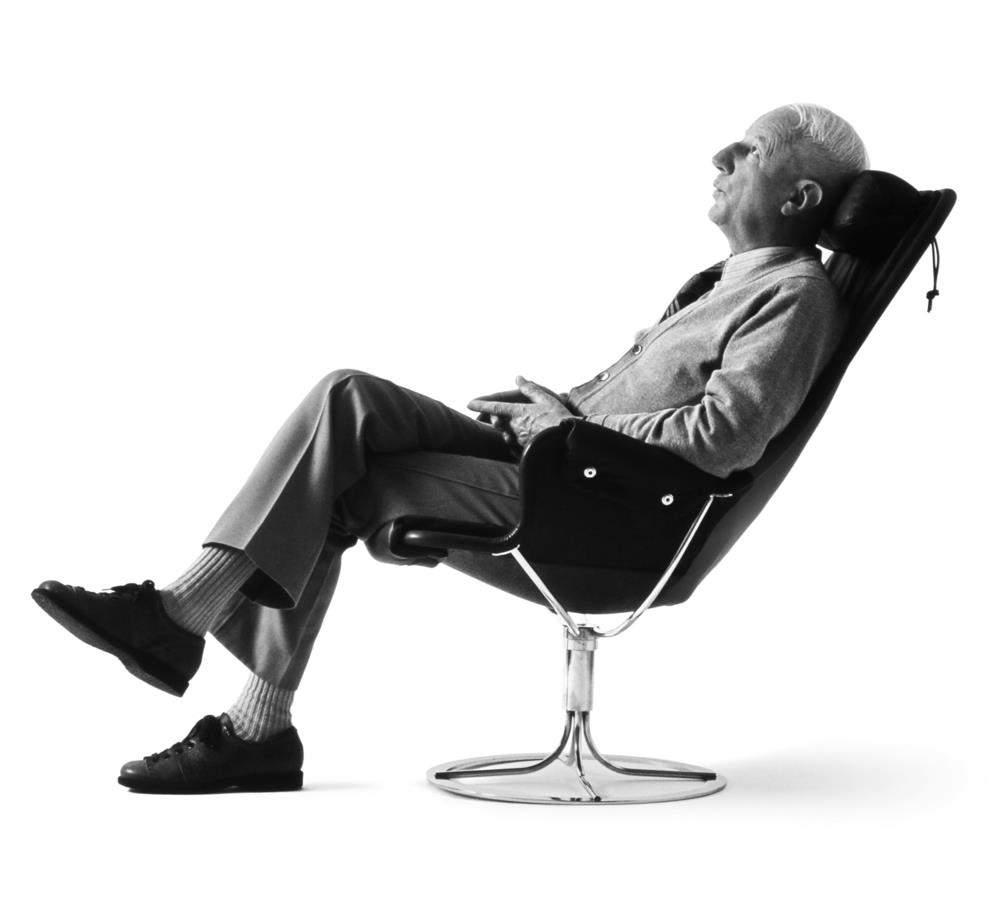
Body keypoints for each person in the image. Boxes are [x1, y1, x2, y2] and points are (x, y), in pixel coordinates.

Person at [32, 102, 868, 794]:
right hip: (558, 458)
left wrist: (566, 430)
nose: (722, 155)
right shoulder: (721, 283)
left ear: (799, 196)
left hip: (600, 504)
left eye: (752, 149)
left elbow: (722, 440)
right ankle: (206, 651)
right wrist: (550, 411)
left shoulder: (793, 296)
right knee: (347, 397)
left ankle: (222, 678)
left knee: (343, 479)